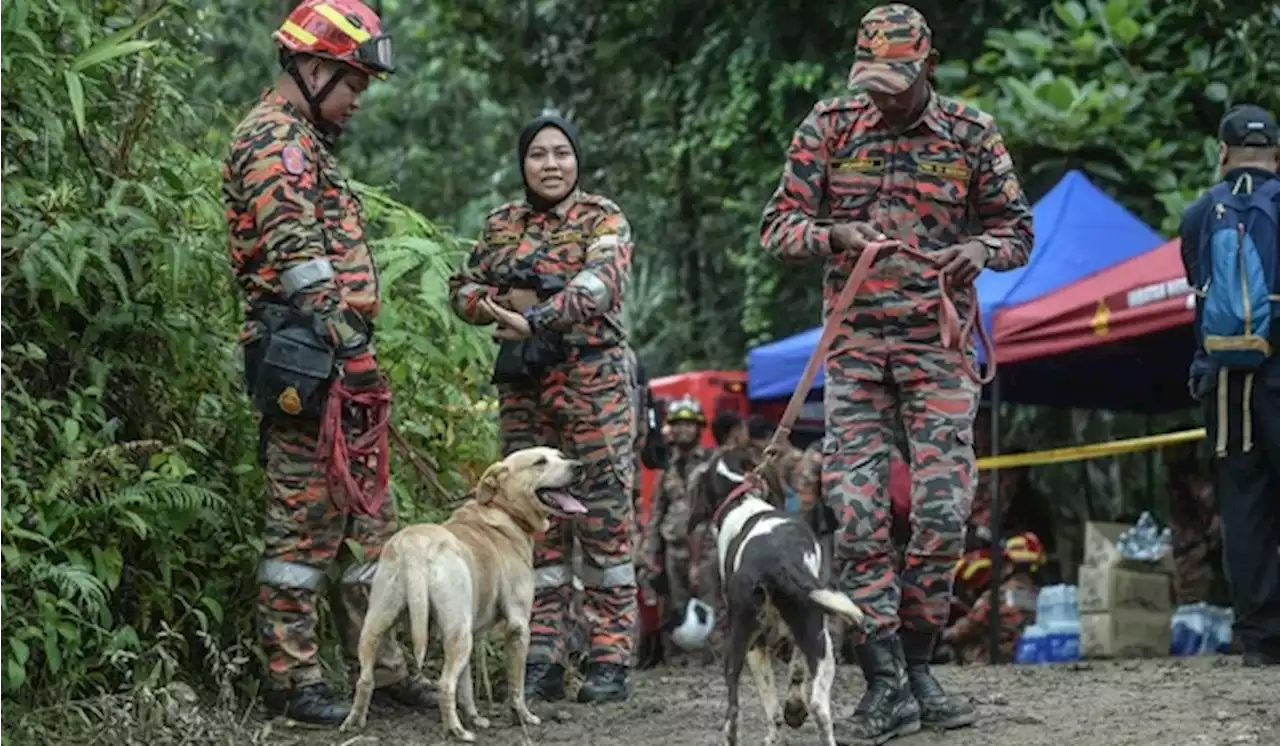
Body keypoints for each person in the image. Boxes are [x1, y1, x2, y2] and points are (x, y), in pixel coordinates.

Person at [759, 4, 1033, 741]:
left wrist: (981, 251)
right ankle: (884, 678)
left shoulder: (970, 133)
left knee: (944, 511)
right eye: (871, 80)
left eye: (897, 81)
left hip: (937, 350)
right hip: (854, 351)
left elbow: (1017, 230)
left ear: (928, 66)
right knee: (858, 515)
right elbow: (777, 226)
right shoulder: (831, 125)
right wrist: (832, 233)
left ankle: (917, 664)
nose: (881, 95)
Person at [223, 0, 435, 725]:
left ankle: (385, 670)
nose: (356, 100)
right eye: (351, 84)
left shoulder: (307, 143)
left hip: (338, 357)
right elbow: (298, 259)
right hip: (307, 357)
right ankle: (293, 680)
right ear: (311, 67)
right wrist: (350, 348)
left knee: (371, 525)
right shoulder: (272, 141)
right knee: (301, 530)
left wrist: (357, 355)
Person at [447, 113, 639, 701]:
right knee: (533, 527)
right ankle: (543, 658)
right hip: (524, 392)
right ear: (522, 163)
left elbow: (598, 286)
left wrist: (533, 315)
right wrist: (493, 307)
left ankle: (609, 660)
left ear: (577, 160)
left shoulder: (602, 217)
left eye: (562, 153)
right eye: (537, 154)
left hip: (593, 388)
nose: (551, 164)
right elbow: (462, 289)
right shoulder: (502, 224)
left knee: (604, 520)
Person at [1180, 104, 1280, 666]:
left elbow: (1200, 287)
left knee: (1245, 508)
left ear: (1222, 153)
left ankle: (1261, 641)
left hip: (1226, 384)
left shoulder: (1199, 214)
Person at [642, 397, 713, 661]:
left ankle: (711, 660)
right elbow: (657, 513)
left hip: (707, 547)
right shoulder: (666, 469)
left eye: (689, 425)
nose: (684, 430)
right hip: (673, 548)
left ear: (699, 428)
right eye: (678, 425)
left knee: (709, 605)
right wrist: (650, 553)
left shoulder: (710, 463)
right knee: (677, 606)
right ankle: (679, 660)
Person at [940, 532, 1043, 665]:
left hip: (998, 660)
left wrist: (942, 635)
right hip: (1030, 657)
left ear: (1009, 565)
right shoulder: (1041, 595)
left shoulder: (995, 596)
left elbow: (966, 628)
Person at [1162, 441, 1227, 607]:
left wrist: (1205, 547)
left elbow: (1221, 516)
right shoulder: (1175, 486)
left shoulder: (1198, 485)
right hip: (1182, 558)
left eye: (1171, 449)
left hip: (1200, 561)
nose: (1165, 455)